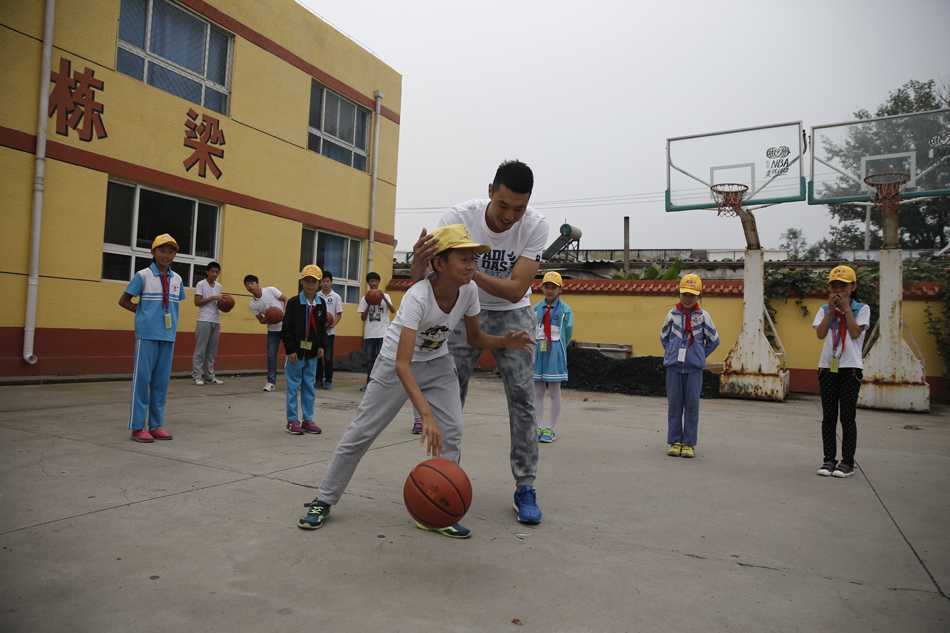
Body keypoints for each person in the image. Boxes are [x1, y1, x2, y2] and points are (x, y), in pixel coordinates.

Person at [297, 225, 533, 538]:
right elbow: (402, 364)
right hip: (394, 366)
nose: (471, 265)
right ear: (439, 263)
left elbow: (475, 338)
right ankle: (323, 499)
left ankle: (439, 507)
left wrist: (505, 341)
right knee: (362, 432)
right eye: (463, 258)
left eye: (473, 258)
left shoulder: (469, 291)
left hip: (437, 364)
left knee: (453, 432)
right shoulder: (418, 297)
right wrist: (425, 414)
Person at [410, 159, 549, 525]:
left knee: (522, 400)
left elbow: (516, 288)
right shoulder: (457, 220)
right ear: (490, 192)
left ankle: (525, 486)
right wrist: (422, 262)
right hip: (462, 308)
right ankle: (443, 475)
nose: (508, 216)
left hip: (513, 313)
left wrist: (470, 270)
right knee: (450, 396)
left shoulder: (535, 226)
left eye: (518, 209)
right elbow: (427, 274)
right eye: (503, 205)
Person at [118, 233, 186, 443]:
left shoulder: (177, 279)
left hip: (168, 336)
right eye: (162, 250)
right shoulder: (143, 275)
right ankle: (138, 427)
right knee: (142, 381)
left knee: (160, 383)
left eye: (171, 251)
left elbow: (175, 303)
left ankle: (156, 425)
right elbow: (124, 300)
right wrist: (142, 313)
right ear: (153, 252)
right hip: (147, 335)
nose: (166, 255)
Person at [813, 265, 870, 479]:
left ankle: (847, 462)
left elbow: (855, 333)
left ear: (853, 287)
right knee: (828, 416)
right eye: (834, 285)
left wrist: (846, 309)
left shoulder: (861, 309)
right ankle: (829, 459)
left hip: (850, 368)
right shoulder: (823, 309)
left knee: (847, 417)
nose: (838, 290)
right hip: (828, 366)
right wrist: (830, 311)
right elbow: (820, 334)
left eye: (843, 286)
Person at [660, 273, 720, 459]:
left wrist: (699, 355)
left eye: (692, 295)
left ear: (698, 296)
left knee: (692, 406)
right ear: (679, 293)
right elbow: (664, 337)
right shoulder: (671, 315)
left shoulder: (703, 317)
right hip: (674, 368)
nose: (688, 298)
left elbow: (714, 340)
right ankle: (675, 441)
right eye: (685, 294)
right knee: (675, 405)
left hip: (694, 369)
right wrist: (672, 352)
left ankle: (688, 443)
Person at [282, 265, 327, 435]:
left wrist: (322, 346)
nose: (310, 284)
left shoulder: (320, 304)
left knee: (309, 386)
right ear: (302, 281)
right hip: (296, 353)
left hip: (312, 353)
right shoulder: (294, 303)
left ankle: (308, 419)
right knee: (293, 386)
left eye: (314, 281)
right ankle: (292, 420)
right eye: (307, 280)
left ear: (319, 284)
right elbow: (286, 328)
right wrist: (290, 349)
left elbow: (322, 328)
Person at [532, 271, 573, 443]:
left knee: (554, 391)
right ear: (542, 288)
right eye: (547, 286)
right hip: (538, 349)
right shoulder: (535, 308)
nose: (549, 290)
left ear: (560, 290)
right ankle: (538, 426)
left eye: (553, 287)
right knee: (538, 390)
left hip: (555, 348)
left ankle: (551, 428)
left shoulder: (565, 310)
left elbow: (568, 332)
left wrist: (559, 347)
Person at [244, 275, 288, 392]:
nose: (250, 286)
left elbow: (285, 299)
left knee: (292, 353)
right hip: (272, 330)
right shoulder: (252, 304)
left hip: (286, 328)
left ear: (258, 284)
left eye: (252, 283)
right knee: (271, 356)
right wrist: (270, 318)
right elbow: (261, 321)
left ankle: (296, 380)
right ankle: (271, 382)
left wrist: (283, 314)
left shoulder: (271, 290)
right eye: (247, 285)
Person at [357, 271, 395, 391]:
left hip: (383, 333)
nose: (373, 283)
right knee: (370, 360)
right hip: (370, 334)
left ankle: (381, 384)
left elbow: (393, 310)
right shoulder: (365, 298)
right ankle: (369, 383)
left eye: (375, 281)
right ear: (368, 283)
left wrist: (383, 297)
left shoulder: (386, 296)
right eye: (371, 281)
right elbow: (363, 318)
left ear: (378, 282)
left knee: (382, 359)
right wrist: (369, 303)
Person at [192, 261, 223, 386]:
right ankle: (197, 376)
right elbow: (197, 302)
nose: (215, 274)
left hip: (216, 320)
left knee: (212, 351)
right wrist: (212, 298)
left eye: (217, 272)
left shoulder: (219, 286)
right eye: (213, 271)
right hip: (204, 320)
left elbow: (220, 304)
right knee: (200, 350)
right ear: (207, 272)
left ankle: (209, 376)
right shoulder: (201, 284)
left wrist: (226, 303)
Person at [316, 271, 344, 389]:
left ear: (331, 282)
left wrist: (332, 324)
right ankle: (318, 380)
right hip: (318, 332)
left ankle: (328, 380)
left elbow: (338, 314)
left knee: (328, 358)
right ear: (320, 283)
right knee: (318, 356)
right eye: (323, 281)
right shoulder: (317, 296)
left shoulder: (336, 296)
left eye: (328, 281)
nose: (325, 283)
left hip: (329, 333)